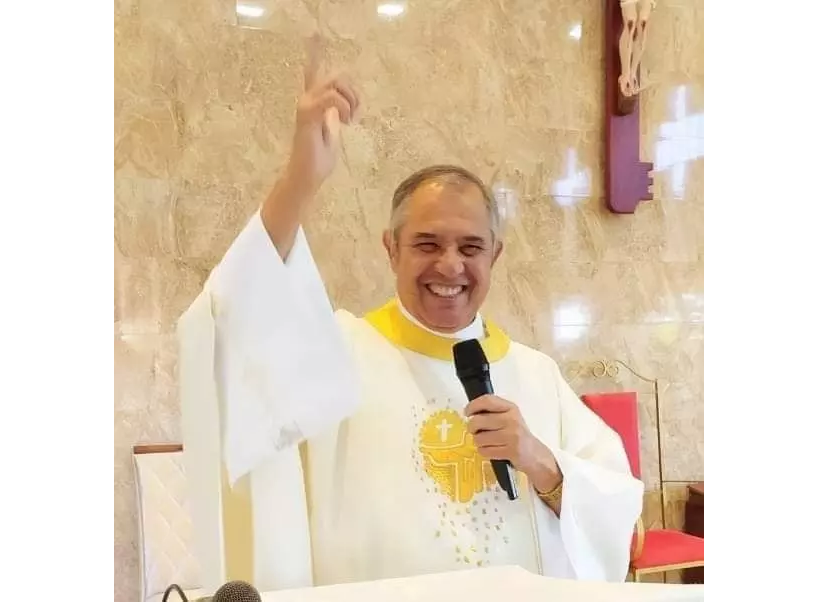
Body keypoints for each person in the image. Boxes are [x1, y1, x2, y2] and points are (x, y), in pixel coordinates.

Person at [178, 37, 644, 594]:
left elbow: (626, 533)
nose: (450, 265)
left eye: (470, 247)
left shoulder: (537, 375)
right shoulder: (336, 355)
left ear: (495, 256)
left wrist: (541, 461)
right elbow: (233, 322)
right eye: (426, 244)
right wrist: (300, 179)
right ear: (390, 249)